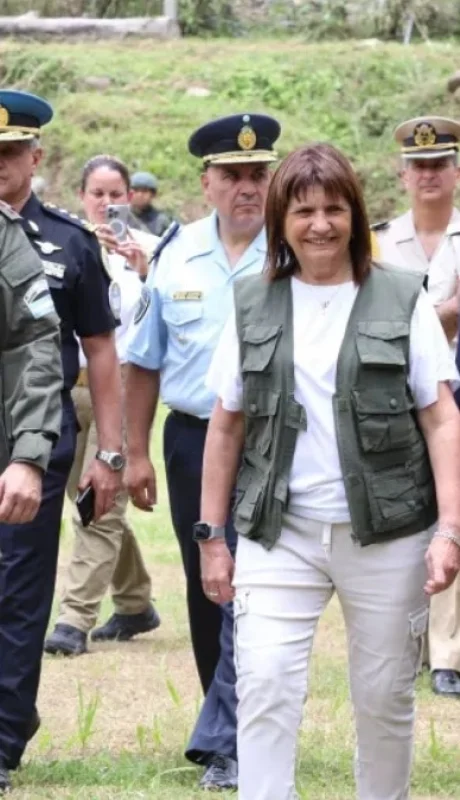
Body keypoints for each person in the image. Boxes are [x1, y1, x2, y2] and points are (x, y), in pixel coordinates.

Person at [202, 143, 460, 800]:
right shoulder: (250, 303)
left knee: (383, 700)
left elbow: (440, 417)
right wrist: (211, 537)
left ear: (356, 214)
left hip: (388, 532)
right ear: (280, 219)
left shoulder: (403, 298)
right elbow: (227, 422)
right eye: (304, 210)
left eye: (334, 209)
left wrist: (449, 529)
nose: (319, 224)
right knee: (264, 687)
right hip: (278, 531)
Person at [124, 113, 281, 790]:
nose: (247, 187)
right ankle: (230, 730)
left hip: (276, 440)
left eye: (257, 174)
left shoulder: (297, 251)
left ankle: (233, 738)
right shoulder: (174, 254)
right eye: (232, 176)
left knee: (259, 584)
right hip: (191, 439)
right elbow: (142, 363)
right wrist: (132, 453)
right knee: (207, 580)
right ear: (206, 183)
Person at [0, 90, 123, 792]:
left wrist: (111, 452)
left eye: (11, 151)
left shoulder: (69, 242)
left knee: (19, 595)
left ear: (36, 157)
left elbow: (101, 352)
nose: (0, 164)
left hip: (36, 447)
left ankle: (4, 738)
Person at [45, 154, 160, 654]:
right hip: (72, 386)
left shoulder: (157, 249)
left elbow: (168, 320)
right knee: (88, 498)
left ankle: (73, 619)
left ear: (131, 197)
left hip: (127, 387)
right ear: (82, 197)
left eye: (117, 194)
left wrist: (145, 272)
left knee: (99, 507)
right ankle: (135, 603)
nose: (108, 203)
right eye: (98, 194)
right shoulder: (65, 245)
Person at [375, 116, 460, 698]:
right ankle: (416, 638)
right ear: (403, 174)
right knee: (414, 516)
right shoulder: (379, 242)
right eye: (419, 165)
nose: (428, 174)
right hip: (401, 396)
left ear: (455, 171)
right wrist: (445, 312)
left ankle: (447, 652)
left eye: (439, 163)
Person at [129, 171, 171, 237]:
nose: (139, 195)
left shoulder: (161, 221)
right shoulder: (120, 216)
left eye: (144, 191)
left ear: (153, 195)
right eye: (136, 190)